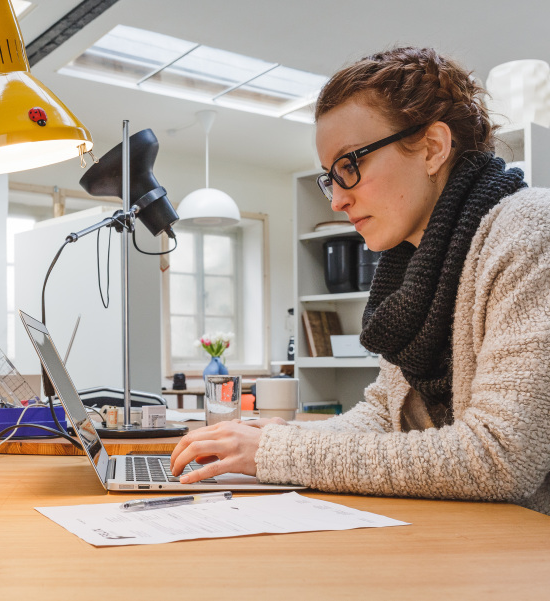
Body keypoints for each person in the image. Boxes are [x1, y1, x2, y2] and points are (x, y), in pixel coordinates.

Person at [170, 47, 550, 515]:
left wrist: (278, 453)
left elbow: (502, 456)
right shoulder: (416, 264)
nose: (337, 201)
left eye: (350, 165)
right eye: (332, 179)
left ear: (432, 147)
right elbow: (383, 416)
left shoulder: (529, 230)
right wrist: (272, 436)